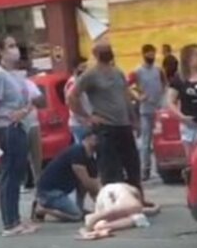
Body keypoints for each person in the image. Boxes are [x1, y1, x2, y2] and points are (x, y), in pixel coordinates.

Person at [68, 40, 151, 205]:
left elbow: (125, 96)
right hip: (106, 128)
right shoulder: (90, 75)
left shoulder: (118, 72)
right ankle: (115, 203)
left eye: (109, 49)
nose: (108, 51)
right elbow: (72, 96)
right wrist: (88, 116)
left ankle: (138, 199)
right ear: (96, 54)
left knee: (133, 165)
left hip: (124, 126)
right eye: (103, 50)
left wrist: (134, 120)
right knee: (111, 170)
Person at [0, 36, 37, 236]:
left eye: (16, 45)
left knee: (17, 174)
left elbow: (29, 100)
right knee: (9, 174)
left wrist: (24, 111)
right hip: (5, 128)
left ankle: (15, 219)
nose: (15, 50)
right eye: (11, 46)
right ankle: (9, 222)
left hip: (19, 125)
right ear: (0, 51)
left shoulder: (16, 75)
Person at [33, 130, 100, 222]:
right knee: (77, 216)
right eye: (95, 138)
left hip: (63, 190)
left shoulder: (91, 159)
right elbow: (87, 182)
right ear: (87, 139)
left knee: (83, 188)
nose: (98, 141)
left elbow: (92, 186)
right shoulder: (78, 152)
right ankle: (42, 208)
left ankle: (77, 207)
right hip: (50, 191)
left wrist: (100, 203)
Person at [129, 44, 166, 180]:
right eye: (149, 54)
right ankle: (145, 169)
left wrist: (163, 98)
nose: (152, 56)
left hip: (159, 110)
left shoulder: (158, 70)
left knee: (160, 141)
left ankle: (162, 168)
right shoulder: (137, 71)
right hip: (145, 110)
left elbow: (165, 84)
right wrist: (139, 96)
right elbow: (127, 86)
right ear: (144, 54)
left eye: (153, 53)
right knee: (146, 142)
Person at [77, 182, 160, 241]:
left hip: (112, 194)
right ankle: (98, 226)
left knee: (138, 216)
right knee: (139, 217)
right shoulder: (131, 203)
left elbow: (147, 209)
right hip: (111, 194)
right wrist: (86, 230)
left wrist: (156, 206)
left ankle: (100, 226)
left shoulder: (132, 201)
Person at [65, 62, 92, 144]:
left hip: (82, 123)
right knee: (85, 150)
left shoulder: (77, 82)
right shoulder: (74, 82)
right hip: (81, 123)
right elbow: (70, 100)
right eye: (82, 67)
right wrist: (86, 117)